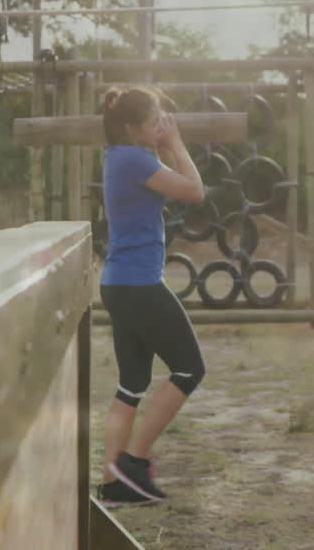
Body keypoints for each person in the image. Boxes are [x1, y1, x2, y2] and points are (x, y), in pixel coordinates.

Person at [95, 87, 206, 508]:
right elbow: (195, 192)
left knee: (131, 385)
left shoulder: (122, 156)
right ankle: (133, 463)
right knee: (189, 369)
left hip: (120, 284)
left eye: (164, 118)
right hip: (138, 286)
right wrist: (176, 143)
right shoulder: (136, 158)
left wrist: (164, 143)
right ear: (131, 127)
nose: (162, 124)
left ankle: (112, 483)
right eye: (155, 119)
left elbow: (179, 186)